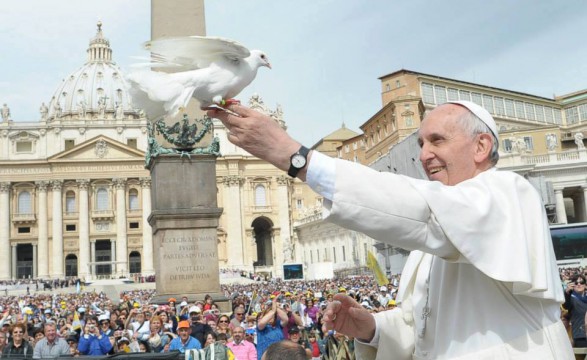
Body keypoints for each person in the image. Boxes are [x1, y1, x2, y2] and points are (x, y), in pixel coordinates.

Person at [209, 100, 573, 359]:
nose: (424, 154)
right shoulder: (431, 242)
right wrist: (373, 328)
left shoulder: (508, 192)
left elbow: (422, 209)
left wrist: (295, 157)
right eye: (421, 144)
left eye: (438, 140)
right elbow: (423, 327)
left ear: (481, 145)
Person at [564, 274, 587, 347]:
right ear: (573, 286)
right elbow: (566, 306)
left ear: (585, 285)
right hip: (580, 335)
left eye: (582, 282)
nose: (579, 284)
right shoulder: (571, 298)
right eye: (576, 283)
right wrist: (567, 294)